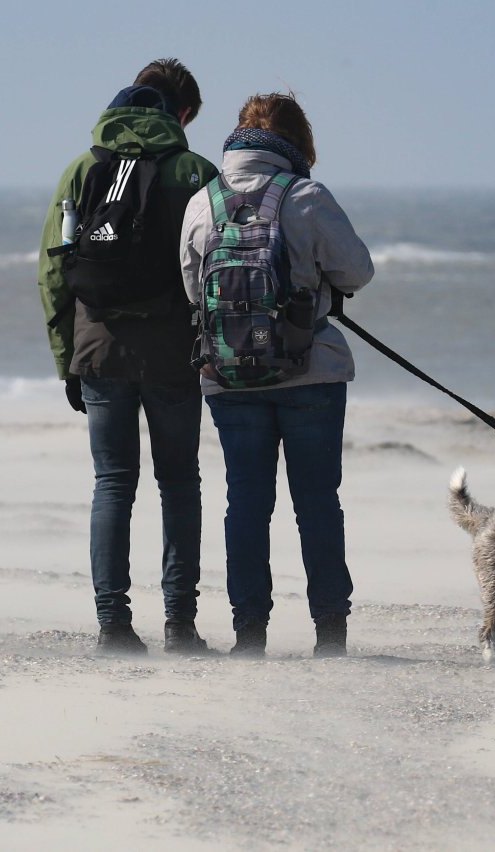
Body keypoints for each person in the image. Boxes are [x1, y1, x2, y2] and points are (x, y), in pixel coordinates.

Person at [179, 93, 375, 658]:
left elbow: (195, 291)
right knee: (316, 501)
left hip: (229, 377)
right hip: (310, 370)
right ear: (297, 144)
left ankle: (249, 633)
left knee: (245, 501)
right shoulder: (307, 196)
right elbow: (357, 271)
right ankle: (330, 633)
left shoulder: (201, 203)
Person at [37, 59, 218, 655]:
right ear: (181, 112)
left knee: (112, 483)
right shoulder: (196, 171)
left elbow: (55, 273)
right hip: (173, 351)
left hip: (99, 348)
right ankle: (180, 625)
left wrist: (67, 358)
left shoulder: (83, 167)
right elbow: (218, 269)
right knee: (179, 484)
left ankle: (113, 626)